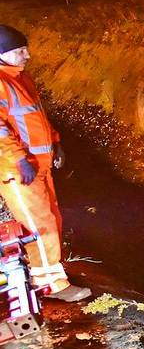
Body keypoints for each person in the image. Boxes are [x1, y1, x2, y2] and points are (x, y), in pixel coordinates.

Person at [0, 24, 90, 302]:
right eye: (20, 51)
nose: (27, 55)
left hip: (38, 164)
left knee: (51, 218)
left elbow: (37, 116)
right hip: (18, 170)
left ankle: (46, 272)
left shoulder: (20, 78)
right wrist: (19, 159)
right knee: (39, 225)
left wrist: (55, 142)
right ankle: (51, 284)